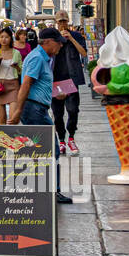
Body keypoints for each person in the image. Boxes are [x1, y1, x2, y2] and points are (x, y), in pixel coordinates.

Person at [9, 27, 71, 204]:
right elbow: (26, 84)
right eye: (58, 42)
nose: (60, 45)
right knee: (52, 149)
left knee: (42, 150)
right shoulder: (37, 58)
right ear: (48, 42)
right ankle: (53, 191)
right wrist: (17, 112)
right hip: (34, 109)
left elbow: (36, 85)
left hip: (37, 107)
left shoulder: (43, 58)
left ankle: (43, 189)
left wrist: (53, 93)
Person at [52, 11, 90, 156]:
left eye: (64, 21)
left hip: (72, 79)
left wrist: (71, 39)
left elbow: (84, 53)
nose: (62, 24)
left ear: (68, 21)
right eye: (60, 21)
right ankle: (61, 140)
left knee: (73, 110)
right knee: (57, 113)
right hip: (56, 80)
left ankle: (71, 137)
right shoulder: (53, 37)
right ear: (56, 22)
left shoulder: (77, 36)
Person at [0, 28, 23, 124]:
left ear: (11, 39)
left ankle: (12, 137)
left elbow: (21, 72)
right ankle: (3, 138)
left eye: (6, 37)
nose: (4, 39)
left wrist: (17, 67)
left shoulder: (16, 53)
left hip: (13, 85)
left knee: (12, 119)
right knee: (2, 118)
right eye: (1, 37)